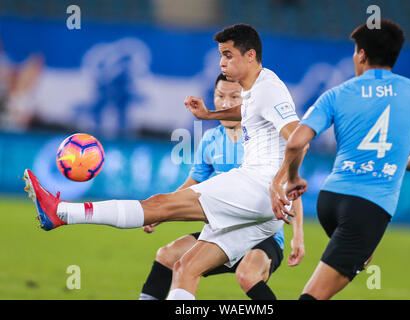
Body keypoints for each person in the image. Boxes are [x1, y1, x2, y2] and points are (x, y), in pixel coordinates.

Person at [23, 24, 306, 300]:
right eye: (221, 54)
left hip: (256, 186)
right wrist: (208, 116)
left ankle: (62, 213)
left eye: (228, 55)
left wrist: (282, 180)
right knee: (184, 267)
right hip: (262, 209)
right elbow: (250, 110)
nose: (222, 62)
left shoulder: (269, 88)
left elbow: (298, 138)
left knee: (159, 205)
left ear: (251, 55)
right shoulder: (256, 88)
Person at [270, 19, 410, 300]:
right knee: (313, 296)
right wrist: (398, 164)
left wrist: (294, 176)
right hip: (369, 207)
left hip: (331, 199)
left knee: (358, 258)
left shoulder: (337, 93)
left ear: (361, 54)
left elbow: (297, 141)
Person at [139, 74, 304, 300]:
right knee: (167, 255)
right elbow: (193, 182)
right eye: (220, 96)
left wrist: (298, 235)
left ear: (247, 100)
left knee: (248, 274)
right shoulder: (210, 139)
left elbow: (292, 186)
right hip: (223, 230)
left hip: (263, 234)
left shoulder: (264, 138)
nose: (226, 103)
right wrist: (158, 212)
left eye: (234, 96)